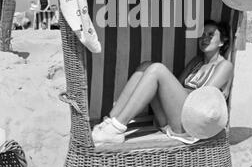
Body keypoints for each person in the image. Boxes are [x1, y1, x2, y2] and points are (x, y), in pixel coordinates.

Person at [92, 20, 233, 145]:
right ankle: (111, 120)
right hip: (172, 117)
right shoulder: (197, 61)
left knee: (157, 69)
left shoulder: (224, 66)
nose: (204, 39)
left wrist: (175, 89)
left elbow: (201, 101)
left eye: (210, 35)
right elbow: (173, 88)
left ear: (222, 41)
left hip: (191, 124)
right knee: (146, 66)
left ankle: (117, 128)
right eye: (202, 35)